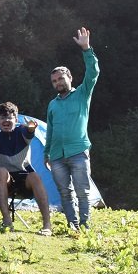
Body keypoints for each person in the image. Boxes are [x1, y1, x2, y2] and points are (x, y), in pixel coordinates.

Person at [45, 27, 99, 230]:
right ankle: (72, 225)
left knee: (83, 191)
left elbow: (93, 72)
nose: (57, 83)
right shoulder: (53, 104)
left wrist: (86, 48)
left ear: (69, 78)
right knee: (65, 193)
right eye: (54, 81)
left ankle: (85, 226)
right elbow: (49, 130)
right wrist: (46, 152)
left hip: (78, 151)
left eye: (60, 78)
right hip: (57, 155)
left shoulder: (82, 94)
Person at [0, 101, 53, 235]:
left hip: (25, 180)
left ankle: (47, 224)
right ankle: (7, 221)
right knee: (1, 171)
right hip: (6, 182)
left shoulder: (21, 132)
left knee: (35, 176)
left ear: (16, 120)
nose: (6, 120)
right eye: (2, 118)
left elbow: (28, 132)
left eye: (10, 117)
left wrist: (31, 128)